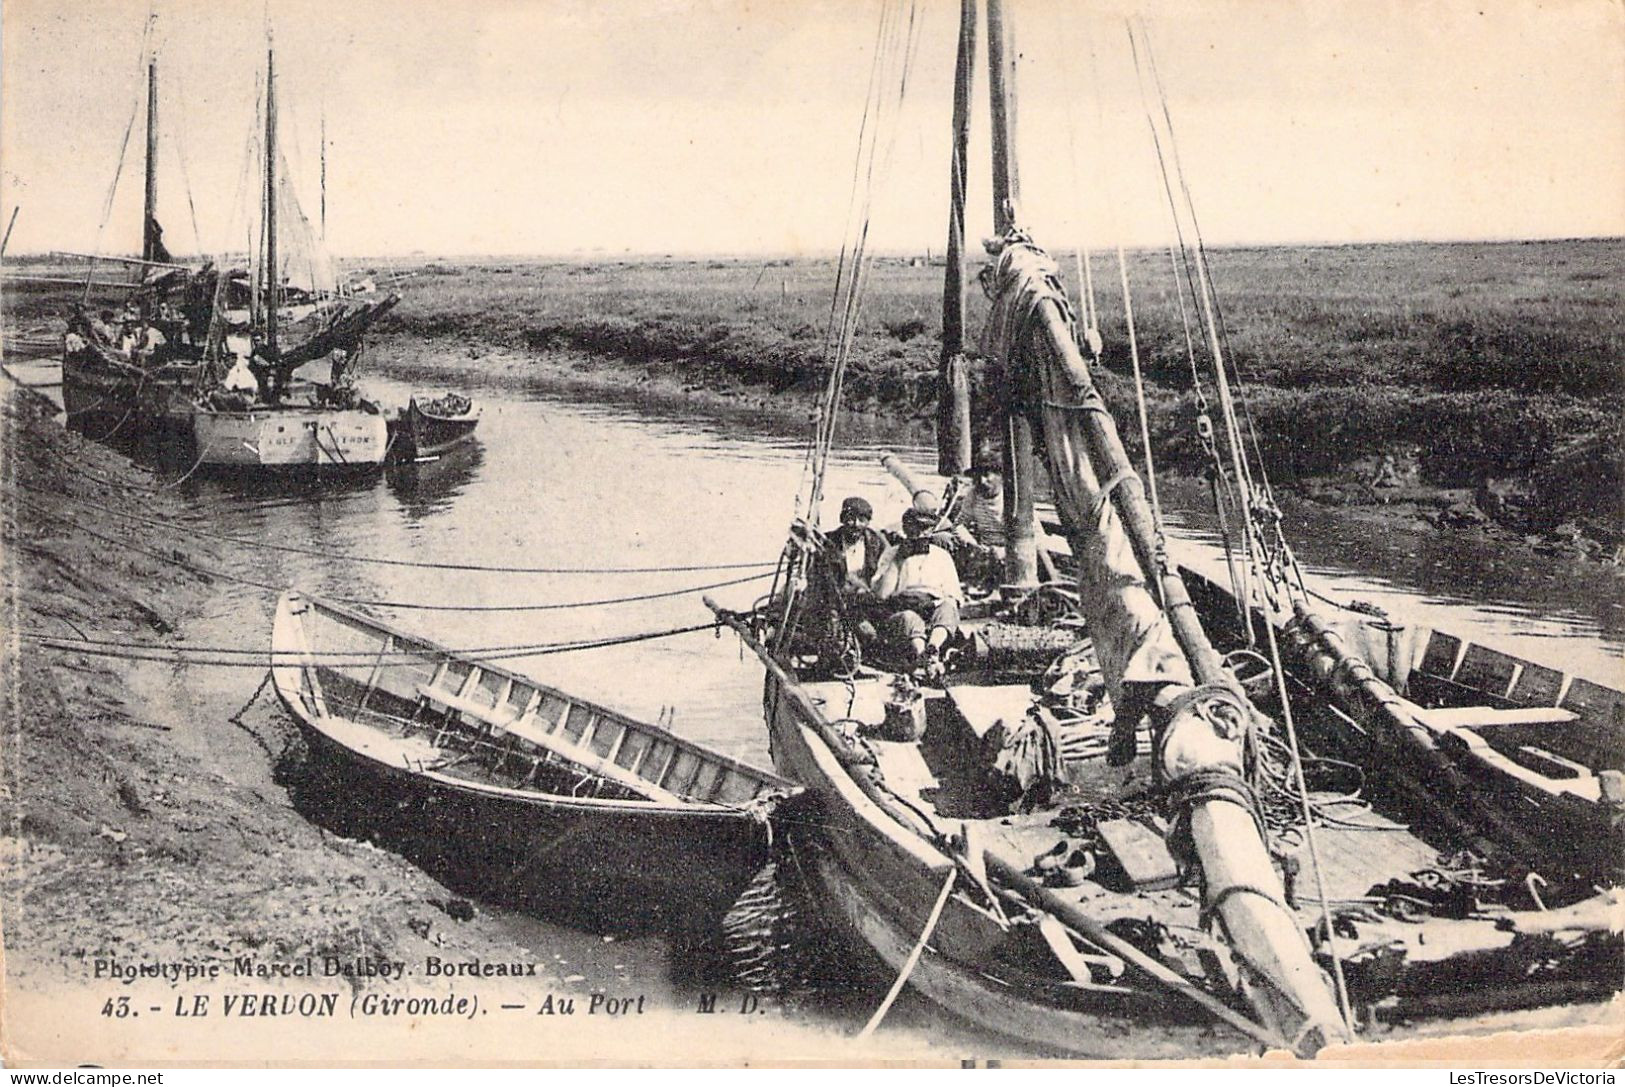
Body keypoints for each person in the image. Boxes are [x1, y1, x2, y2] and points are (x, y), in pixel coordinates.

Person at [870, 507, 964, 673]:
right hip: (902, 608)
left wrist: (941, 603)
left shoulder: (941, 556)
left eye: (926, 529)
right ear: (906, 529)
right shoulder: (892, 554)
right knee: (909, 618)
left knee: (949, 608)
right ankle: (923, 655)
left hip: (932, 608)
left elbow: (953, 594)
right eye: (916, 529)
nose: (921, 534)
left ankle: (933, 648)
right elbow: (881, 594)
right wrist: (898, 560)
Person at [825, 496, 888, 595]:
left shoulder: (877, 543)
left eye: (862, 520)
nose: (856, 524)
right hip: (835, 599)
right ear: (842, 519)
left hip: (866, 599)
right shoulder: (828, 542)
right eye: (850, 519)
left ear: (868, 522)